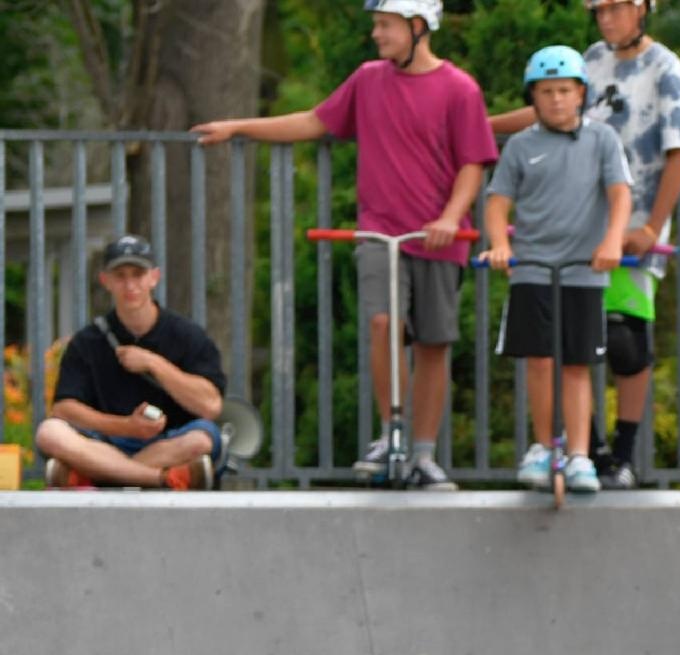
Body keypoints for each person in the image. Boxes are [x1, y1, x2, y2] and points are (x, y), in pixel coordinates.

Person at [194, 0, 498, 490]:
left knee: (434, 344)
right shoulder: (368, 80)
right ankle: (391, 433)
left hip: (438, 236)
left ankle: (422, 453)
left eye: (385, 25)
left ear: (418, 28)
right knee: (383, 322)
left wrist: (449, 217)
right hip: (379, 230)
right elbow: (315, 122)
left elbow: (473, 163)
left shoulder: (459, 89)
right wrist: (240, 127)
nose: (376, 34)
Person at [491, 0, 680, 490]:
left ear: (642, 9)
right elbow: (553, 103)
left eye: (616, 9)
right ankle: (588, 449)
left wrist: (652, 226)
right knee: (574, 342)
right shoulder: (589, 58)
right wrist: (482, 125)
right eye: (599, 11)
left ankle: (623, 456)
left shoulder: (664, 66)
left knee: (627, 342)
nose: (606, 20)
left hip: (631, 229)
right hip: (578, 233)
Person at [483, 46, 631, 494]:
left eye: (565, 90)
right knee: (541, 362)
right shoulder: (522, 145)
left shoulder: (602, 139)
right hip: (532, 268)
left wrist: (612, 240)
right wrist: (500, 244)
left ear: (581, 93)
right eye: (546, 92)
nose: (556, 100)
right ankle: (546, 445)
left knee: (577, 365)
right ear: (534, 97)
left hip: (582, 270)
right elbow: (497, 202)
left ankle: (581, 455)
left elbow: (620, 194)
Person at [37, 235, 223, 491]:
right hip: (106, 443)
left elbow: (211, 405)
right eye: (120, 275)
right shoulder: (87, 341)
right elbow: (64, 409)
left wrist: (154, 363)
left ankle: (96, 476)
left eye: (138, 274)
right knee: (50, 432)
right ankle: (164, 478)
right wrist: (126, 426)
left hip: (169, 441)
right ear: (106, 281)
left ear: (154, 277)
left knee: (202, 439)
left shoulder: (188, 335)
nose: (130, 285)